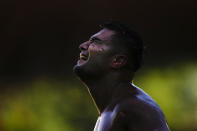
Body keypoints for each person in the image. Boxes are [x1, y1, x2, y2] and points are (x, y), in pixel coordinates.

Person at [73, 21, 170, 131]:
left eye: (95, 41)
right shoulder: (111, 111)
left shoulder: (136, 108)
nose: (82, 46)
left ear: (118, 61)